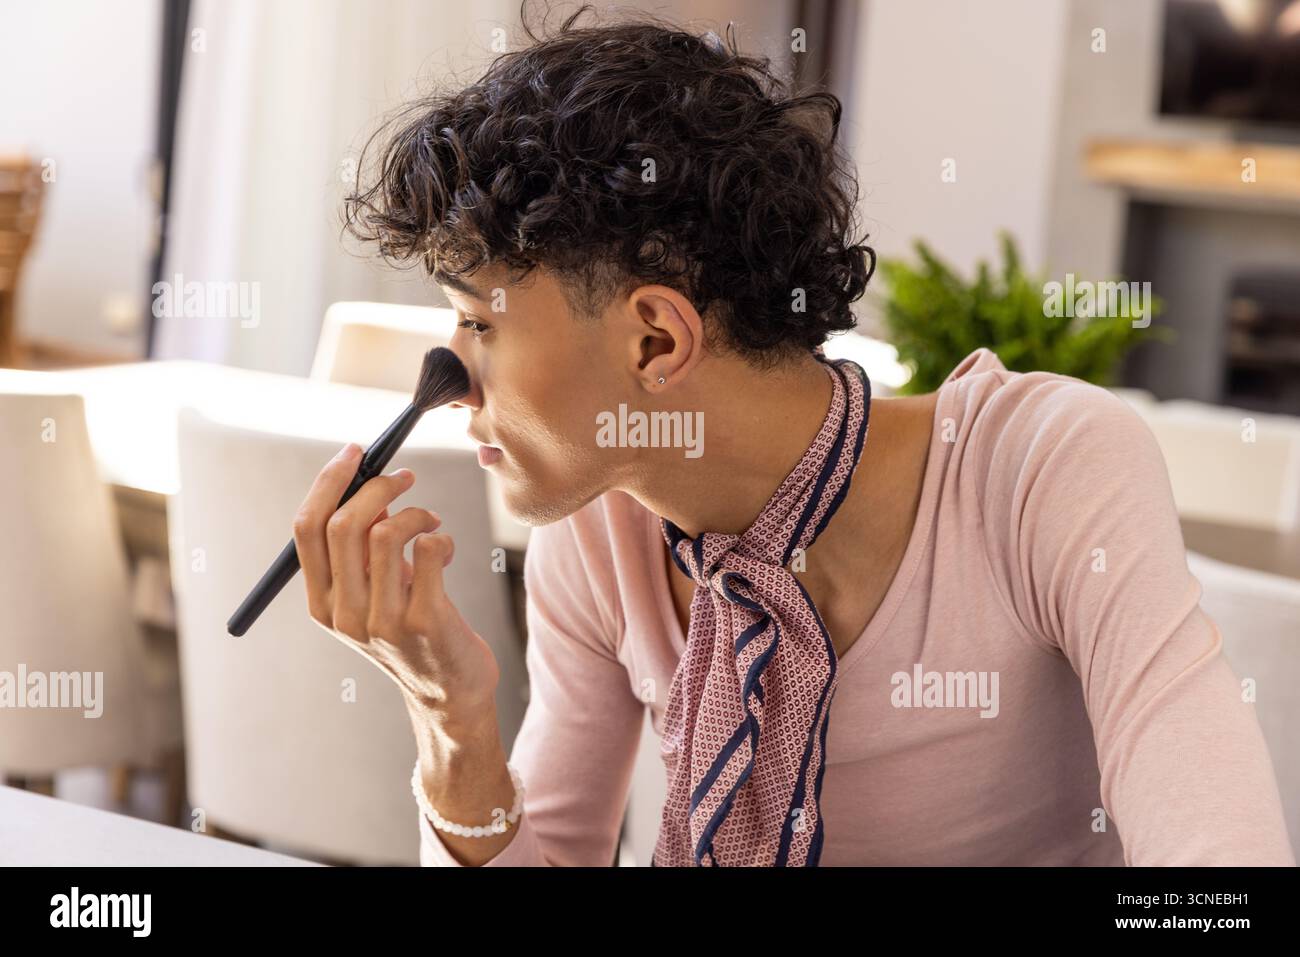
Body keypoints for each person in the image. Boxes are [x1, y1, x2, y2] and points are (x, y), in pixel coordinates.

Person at [289, 4, 1295, 866]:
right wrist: (455, 727)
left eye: (480, 321)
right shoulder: (600, 533)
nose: (453, 373)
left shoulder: (1036, 470)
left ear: (655, 339)